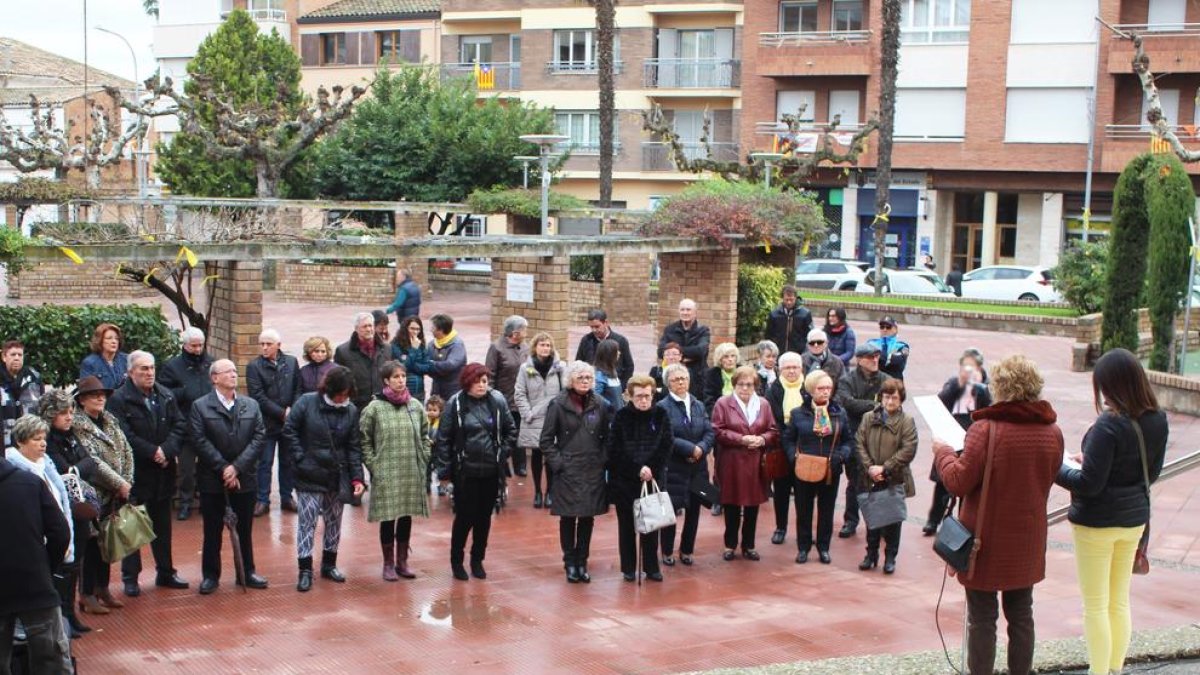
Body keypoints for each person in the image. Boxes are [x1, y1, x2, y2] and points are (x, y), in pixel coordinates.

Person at [932, 355, 1063, 675]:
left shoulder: (985, 430)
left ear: (1000, 387)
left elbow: (958, 481)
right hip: (1028, 541)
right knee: (1021, 615)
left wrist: (944, 453)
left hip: (985, 542)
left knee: (982, 618)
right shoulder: (1052, 432)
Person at [1055, 348, 1168, 675]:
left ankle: (1099, 671)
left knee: (1095, 606)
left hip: (1098, 525)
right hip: (1134, 521)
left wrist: (1055, 467)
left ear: (1113, 385)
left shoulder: (1108, 424)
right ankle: (1115, 669)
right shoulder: (1157, 418)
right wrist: (1089, 459)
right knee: (1118, 600)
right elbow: (1152, 472)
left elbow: (1089, 484)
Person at [107, 351, 189, 596]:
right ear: (131, 372)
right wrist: (153, 452)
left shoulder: (165, 395)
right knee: (133, 526)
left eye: (152, 368)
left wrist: (167, 450)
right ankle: (131, 577)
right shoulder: (119, 400)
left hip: (163, 473)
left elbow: (180, 425)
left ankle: (166, 572)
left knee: (163, 526)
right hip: (137, 474)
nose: (149, 373)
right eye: (143, 369)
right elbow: (124, 435)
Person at [283, 366, 365, 592]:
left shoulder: (351, 411)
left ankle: (329, 565)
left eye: (347, 394)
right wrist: (301, 459)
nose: (343, 398)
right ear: (330, 389)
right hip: (309, 474)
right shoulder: (307, 402)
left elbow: (353, 447)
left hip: (336, 475)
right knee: (306, 523)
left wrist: (357, 478)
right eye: (340, 393)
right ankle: (305, 570)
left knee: (334, 521)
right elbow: (289, 431)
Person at [191, 359, 268, 595]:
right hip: (212, 480)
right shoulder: (200, 406)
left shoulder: (250, 405)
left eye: (235, 371)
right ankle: (211, 576)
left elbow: (259, 437)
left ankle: (247, 571)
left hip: (245, 478)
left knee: (244, 529)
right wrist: (224, 468)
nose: (234, 374)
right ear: (215, 378)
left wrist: (237, 468)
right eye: (228, 371)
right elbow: (199, 440)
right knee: (212, 531)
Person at [434, 363, 516, 581]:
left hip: (490, 471)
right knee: (464, 518)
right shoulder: (456, 404)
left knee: (484, 518)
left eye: (485, 381)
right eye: (478, 381)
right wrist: (444, 472)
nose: (482, 385)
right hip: (465, 472)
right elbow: (443, 439)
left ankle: (477, 559)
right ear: (467, 382)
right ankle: (456, 560)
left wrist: (502, 452)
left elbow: (511, 431)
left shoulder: (496, 401)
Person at [5, 414, 75, 649]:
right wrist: (46, 560)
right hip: (34, 560)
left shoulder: (46, 465)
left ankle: (70, 617)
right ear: (20, 443)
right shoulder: (20, 475)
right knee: (46, 645)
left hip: (44, 557)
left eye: (44, 438)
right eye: (36, 439)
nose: (43, 443)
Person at [0, 451, 72, 675]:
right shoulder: (30, 482)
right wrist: (46, 566)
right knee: (51, 661)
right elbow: (60, 531)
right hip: (36, 587)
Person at [539, 361, 612, 583]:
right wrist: (558, 463)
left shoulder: (601, 403)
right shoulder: (558, 404)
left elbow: (608, 438)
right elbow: (546, 440)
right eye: (580, 378)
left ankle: (582, 561)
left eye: (588, 378)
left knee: (588, 518)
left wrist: (602, 460)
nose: (584, 382)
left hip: (592, 468)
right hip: (568, 469)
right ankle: (570, 562)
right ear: (571, 380)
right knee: (569, 518)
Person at [360, 361, 430, 581]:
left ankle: (402, 562)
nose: (401, 380)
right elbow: (364, 440)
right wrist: (374, 465)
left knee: (406, 515)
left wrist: (424, 457)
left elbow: (426, 435)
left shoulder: (415, 406)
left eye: (403, 376)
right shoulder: (374, 408)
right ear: (386, 381)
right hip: (386, 471)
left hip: (410, 469)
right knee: (388, 517)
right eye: (396, 377)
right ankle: (388, 564)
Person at [71, 375, 132, 613]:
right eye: (93, 395)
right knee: (90, 544)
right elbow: (93, 461)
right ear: (82, 400)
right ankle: (86, 593)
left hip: (115, 493)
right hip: (93, 493)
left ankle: (103, 588)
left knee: (105, 543)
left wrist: (127, 480)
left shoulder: (109, 420)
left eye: (102, 395)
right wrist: (119, 483)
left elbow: (126, 450)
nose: (100, 398)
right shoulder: (78, 425)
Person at [40, 390, 95, 635]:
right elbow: (62, 470)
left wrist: (75, 468)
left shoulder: (71, 436)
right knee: (63, 565)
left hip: (80, 509)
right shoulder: (48, 440)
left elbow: (89, 462)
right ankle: (62, 616)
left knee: (76, 563)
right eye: (63, 413)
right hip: (61, 510)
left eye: (71, 412)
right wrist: (75, 468)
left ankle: (71, 614)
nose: (69, 417)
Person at [607, 374, 672, 581]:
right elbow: (614, 450)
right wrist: (637, 469)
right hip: (625, 481)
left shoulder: (661, 414)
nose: (643, 401)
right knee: (626, 527)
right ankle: (628, 567)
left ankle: (652, 567)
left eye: (647, 396)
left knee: (651, 525)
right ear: (630, 396)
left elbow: (666, 444)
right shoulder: (621, 416)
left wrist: (651, 468)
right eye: (639, 396)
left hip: (652, 479)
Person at [783, 370, 852, 564]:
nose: (825, 392)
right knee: (803, 510)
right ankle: (803, 547)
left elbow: (848, 440)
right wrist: (794, 457)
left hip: (831, 468)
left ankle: (823, 547)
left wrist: (841, 455)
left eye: (828, 388)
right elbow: (788, 439)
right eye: (821, 388)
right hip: (804, 468)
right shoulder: (798, 413)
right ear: (811, 390)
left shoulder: (839, 412)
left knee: (827, 510)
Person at [711, 365, 778, 562]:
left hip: (756, 462)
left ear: (756, 386)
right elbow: (718, 430)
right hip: (731, 461)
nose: (745, 388)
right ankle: (729, 545)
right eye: (741, 384)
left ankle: (749, 545)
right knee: (731, 504)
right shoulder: (723, 403)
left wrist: (762, 439)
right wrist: (742, 439)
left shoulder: (764, 404)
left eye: (749, 385)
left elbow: (773, 430)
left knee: (753, 505)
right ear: (734, 385)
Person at [926, 349, 992, 536]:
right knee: (942, 483)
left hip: (971, 439)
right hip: (951, 435)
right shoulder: (954, 383)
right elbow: (939, 403)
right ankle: (934, 520)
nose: (968, 370)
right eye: (965, 366)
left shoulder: (986, 386)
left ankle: (962, 522)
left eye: (972, 366)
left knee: (966, 482)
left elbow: (989, 408)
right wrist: (959, 384)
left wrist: (979, 387)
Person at [855, 379, 917, 574]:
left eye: (895, 398)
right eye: (887, 397)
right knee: (872, 518)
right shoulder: (867, 418)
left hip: (893, 477)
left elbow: (908, 449)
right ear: (881, 397)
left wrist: (885, 468)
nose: (890, 402)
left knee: (893, 520)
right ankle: (870, 554)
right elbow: (859, 442)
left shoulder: (907, 421)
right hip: (870, 477)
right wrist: (870, 467)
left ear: (901, 400)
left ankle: (890, 557)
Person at [657, 363, 714, 567]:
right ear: (668, 384)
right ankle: (666, 551)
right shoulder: (662, 407)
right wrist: (689, 449)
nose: (681, 382)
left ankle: (687, 550)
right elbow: (666, 437)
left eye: (684, 378)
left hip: (698, 468)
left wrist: (701, 448)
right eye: (675, 379)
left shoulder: (698, 404)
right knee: (670, 511)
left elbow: (709, 431)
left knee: (695, 510)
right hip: (674, 468)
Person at [836, 342, 892, 539]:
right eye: (870, 357)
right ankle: (851, 520)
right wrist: (875, 405)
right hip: (855, 437)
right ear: (859, 360)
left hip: (880, 439)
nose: (875, 359)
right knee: (855, 482)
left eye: (877, 356)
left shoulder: (886, 380)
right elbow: (846, 403)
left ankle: (880, 522)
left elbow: (894, 402)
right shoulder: (847, 380)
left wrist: (867, 406)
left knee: (880, 481)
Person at [158, 327, 213, 521]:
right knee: (187, 470)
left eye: (200, 345)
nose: (198, 349)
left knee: (209, 467)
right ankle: (185, 503)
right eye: (194, 346)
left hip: (209, 426)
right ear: (185, 345)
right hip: (186, 426)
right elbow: (164, 393)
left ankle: (207, 503)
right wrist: (184, 391)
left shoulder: (211, 363)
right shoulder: (172, 366)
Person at [246, 329, 301, 517]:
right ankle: (263, 499)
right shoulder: (254, 367)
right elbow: (258, 396)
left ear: (278, 345)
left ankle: (287, 497)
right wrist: (281, 413)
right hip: (267, 423)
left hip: (288, 422)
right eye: (262, 344)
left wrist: (292, 409)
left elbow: (297, 388)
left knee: (287, 461)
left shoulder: (292, 362)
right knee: (265, 462)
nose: (264, 347)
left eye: (268, 344)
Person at [514, 332, 566, 509]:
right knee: (536, 455)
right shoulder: (524, 368)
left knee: (551, 455)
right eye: (542, 345)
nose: (545, 348)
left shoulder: (560, 368)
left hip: (554, 418)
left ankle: (550, 491)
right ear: (535, 347)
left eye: (548, 345)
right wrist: (527, 413)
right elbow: (520, 393)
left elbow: (566, 391)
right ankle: (537, 491)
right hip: (534, 417)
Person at [765, 351, 806, 546]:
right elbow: (771, 418)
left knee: (803, 493)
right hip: (781, 447)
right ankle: (780, 527)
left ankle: (803, 531)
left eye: (795, 367)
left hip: (805, 448)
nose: (791, 371)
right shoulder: (774, 389)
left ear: (801, 368)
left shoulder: (809, 387)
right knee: (781, 491)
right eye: (787, 367)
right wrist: (787, 440)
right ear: (780, 369)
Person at [486, 315, 530, 477]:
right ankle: (503, 464)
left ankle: (521, 466)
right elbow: (489, 375)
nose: (527, 332)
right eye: (524, 329)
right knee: (503, 434)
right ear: (515, 332)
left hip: (521, 400)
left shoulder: (525, 347)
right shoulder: (496, 348)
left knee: (519, 434)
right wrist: (491, 397)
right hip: (503, 400)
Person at [335, 312, 390, 412]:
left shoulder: (386, 348)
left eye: (370, 326)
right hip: (356, 406)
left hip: (382, 404)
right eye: (364, 326)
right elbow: (339, 381)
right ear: (356, 329)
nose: (368, 329)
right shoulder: (343, 351)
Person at [658, 298, 711, 398]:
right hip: (673, 376)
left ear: (695, 312)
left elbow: (700, 351)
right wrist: (686, 356)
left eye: (688, 310)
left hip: (697, 377)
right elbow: (660, 352)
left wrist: (675, 353)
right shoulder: (670, 330)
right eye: (682, 310)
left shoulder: (703, 330)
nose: (685, 312)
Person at [1, 339, 44, 447]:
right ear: (4, 357)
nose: (17, 358)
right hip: (4, 443)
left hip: (30, 442)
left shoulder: (34, 378)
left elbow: (42, 408)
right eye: (13, 354)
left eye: (20, 355)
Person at [575, 309, 635, 386]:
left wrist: (622, 387)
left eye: (597, 326)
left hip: (614, 385)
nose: (594, 330)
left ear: (606, 323)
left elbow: (629, 366)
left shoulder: (620, 340)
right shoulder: (586, 340)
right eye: (591, 327)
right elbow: (578, 363)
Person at [391, 316, 432, 402]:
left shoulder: (422, 345)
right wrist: (413, 349)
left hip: (419, 392)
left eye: (418, 329)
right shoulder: (396, 344)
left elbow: (428, 367)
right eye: (412, 329)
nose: (415, 332)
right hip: (403, 391)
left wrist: (412, 365)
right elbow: (403, 367)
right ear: (405, 329)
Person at [79, 322, 129, 390]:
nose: (114, 341)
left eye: (116, 338)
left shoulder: (126, 359)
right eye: (109, 338)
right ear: (100, 341)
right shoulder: (89, 363)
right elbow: (87, 392)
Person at [428, 314, 467, 400]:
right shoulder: (431, 344)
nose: (430, 330)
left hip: (453, 389)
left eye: (433, 328)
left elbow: (451, 365)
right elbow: (425, 364)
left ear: (441, 330)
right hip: (436, 388)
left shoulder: (457, 345)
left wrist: (432, 364)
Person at [765, 285, 812, 356]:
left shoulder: (805, 314)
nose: (789, 302)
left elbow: (809, 335)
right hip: (778, 352)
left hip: (798, 353)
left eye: (791, 300)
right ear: (782, 299)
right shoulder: (774, 314)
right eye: (786, 300)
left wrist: (803, 349)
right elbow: (769, 335)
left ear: (796, 298)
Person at [868, 316, 911, 381]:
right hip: (874, 383)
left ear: (895, 329)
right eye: (882, 327)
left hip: (894, 383)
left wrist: (877, 357)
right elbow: (866, 363)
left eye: (888, 327)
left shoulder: (902, 346)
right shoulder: (871, 343)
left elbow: (898, 364)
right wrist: (889, 358)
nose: (885, 329)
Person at [703, 342, 740, 414]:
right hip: (720, 413)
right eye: (726, 357)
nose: (730, 359)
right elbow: (709, 400)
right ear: (720, 360)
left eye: (733, 356)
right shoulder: (712, 374)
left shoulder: (743, 371)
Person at [592, 339, 624, 411]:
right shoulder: (599, 376)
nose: (619, 353)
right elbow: (595, 397)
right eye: (616, 351)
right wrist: (610, 407)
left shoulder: (612, 372)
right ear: (610, 354)